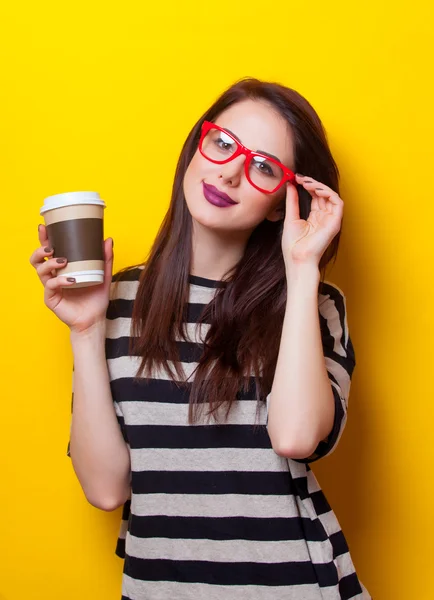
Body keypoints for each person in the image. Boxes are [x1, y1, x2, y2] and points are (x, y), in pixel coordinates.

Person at [30, 78, 370, 599]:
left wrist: (302, 271)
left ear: (283, 202)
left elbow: (297, 439)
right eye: (222, 143)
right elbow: (105, 489)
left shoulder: (314, 305)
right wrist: (85, 330)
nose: (230, 173)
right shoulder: (115, 299)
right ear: (196, 147)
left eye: (263, 167)